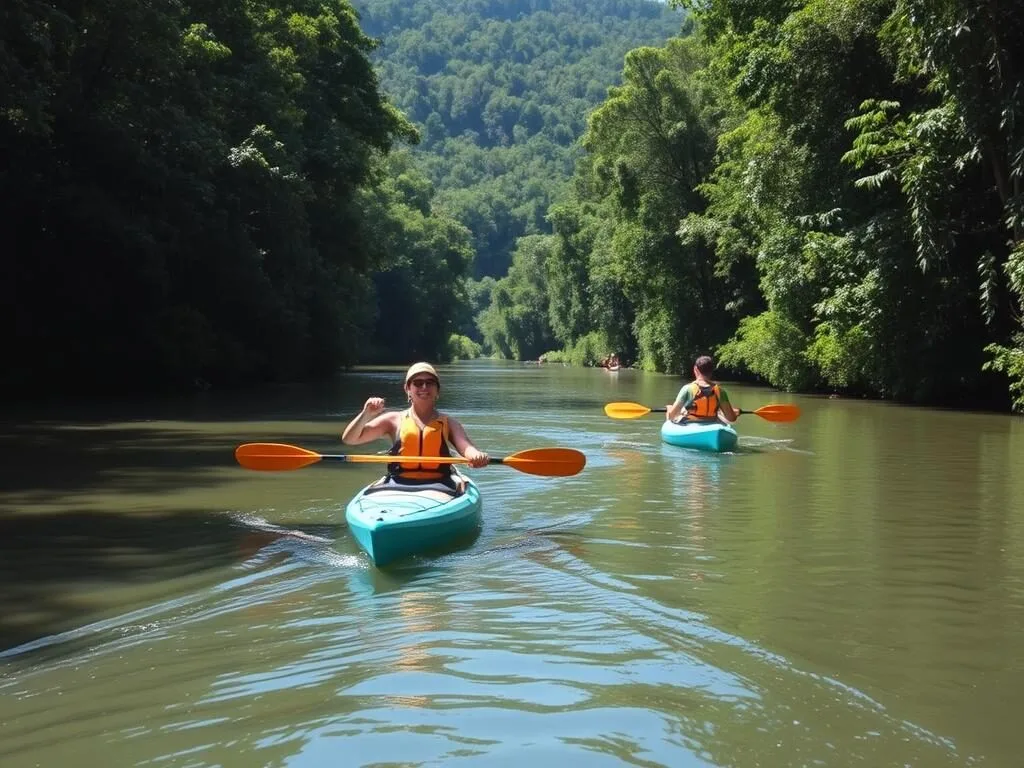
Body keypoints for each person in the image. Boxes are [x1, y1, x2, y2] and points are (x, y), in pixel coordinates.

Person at [341, 362, 489, 495]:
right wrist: (366, 414)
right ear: (408, 389)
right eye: (418, 383)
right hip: (397, 483)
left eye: (430, 382)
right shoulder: (392, 420)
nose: (424, 387)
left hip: (440, 485)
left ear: (437, 390)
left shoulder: (449, 423)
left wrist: (476, 455)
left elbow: (466, 448)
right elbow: (350, 439)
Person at [665, 355, 741, 424]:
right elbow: (731, 418)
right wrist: (734, 413)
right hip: (712, 423)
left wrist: (669, 409)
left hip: (690, 423)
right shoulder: (720, 390)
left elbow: (671, 416)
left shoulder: (687, 389)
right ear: (712, 370)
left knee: (673, 413)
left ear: (695, 369)